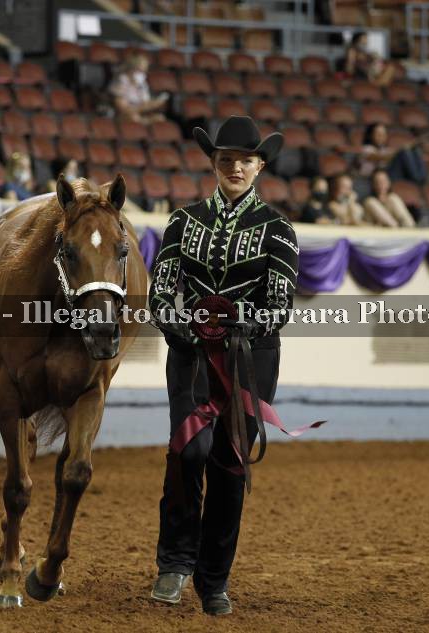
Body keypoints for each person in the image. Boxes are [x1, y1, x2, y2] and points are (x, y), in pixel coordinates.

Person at [148, 116, 300, 617]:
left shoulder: (278, 230)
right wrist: (185, 328)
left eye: (244, 161)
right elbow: (159, 293)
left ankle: (214, 580)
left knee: (230, 465)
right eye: (226, 159)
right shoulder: (181, 222)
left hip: (250, 360)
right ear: (213, 164)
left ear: (259, 167)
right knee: (188, 452)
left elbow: (280, 304)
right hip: (190, 355)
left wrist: (242, 325)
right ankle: (174, 562)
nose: (235, 167)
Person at [357, 123, 427, 185]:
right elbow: (382, 157)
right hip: (374, 178)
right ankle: (417, 179)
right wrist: (403, 149)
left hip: (388, 176)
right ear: (371, 135)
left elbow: (393, 153)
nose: (382, 137)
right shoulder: (366, 149)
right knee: (404, 152)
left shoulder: (384, 149)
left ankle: (423, 177)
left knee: (415, 150)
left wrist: (411, 146)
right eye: (378, 134)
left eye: (384, 134)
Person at [109, 52, 169, 124]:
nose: (142, 74)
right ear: (130, 69)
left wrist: (155, 103)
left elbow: (145, 102)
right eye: (139, 70)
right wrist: (145, 108)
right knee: (134, 118)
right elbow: (123, 109)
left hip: (140, 114)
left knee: (160, 118)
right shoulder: (120, 82)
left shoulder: (142, 83)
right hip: (121, 116)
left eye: (144, 71)